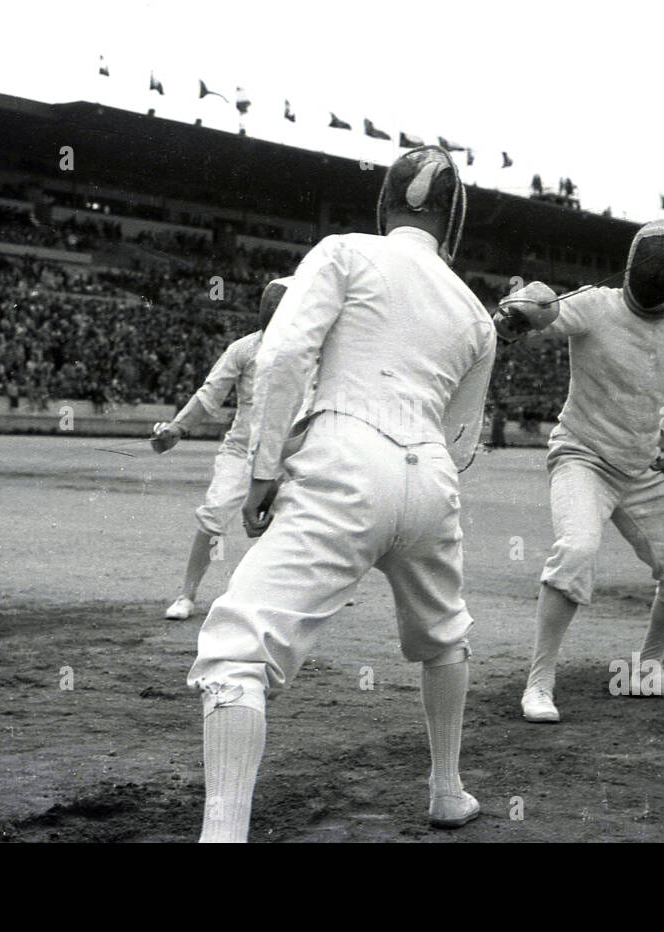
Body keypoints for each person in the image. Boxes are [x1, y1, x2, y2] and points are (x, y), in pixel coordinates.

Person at [186, 146, 498, 842]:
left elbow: (283, 354)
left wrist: (266, 465)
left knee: (237, 651)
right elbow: (463, 442)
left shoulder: (344, 250)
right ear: (451, 222)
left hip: (345, 453)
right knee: (445, 634)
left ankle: (222, 835)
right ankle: (446, 791)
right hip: (430, 475)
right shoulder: (476, 314)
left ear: (384, 204)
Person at [497, 217, 664, 723]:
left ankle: (647, 668)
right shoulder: (595, 305)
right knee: (576, 550)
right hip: (582, 457)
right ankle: (539, 682)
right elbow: (534, 318)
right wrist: (520, 309)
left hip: (640, 468)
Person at [152, 277, 292, 620]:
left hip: (289, 457)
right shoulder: (243, 349)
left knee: (304, 521)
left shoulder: (313, 353)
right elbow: (209, 394)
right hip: (241, 451)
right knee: (214, 513)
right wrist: (178, 427)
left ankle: (309, 595)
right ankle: (186, 595)